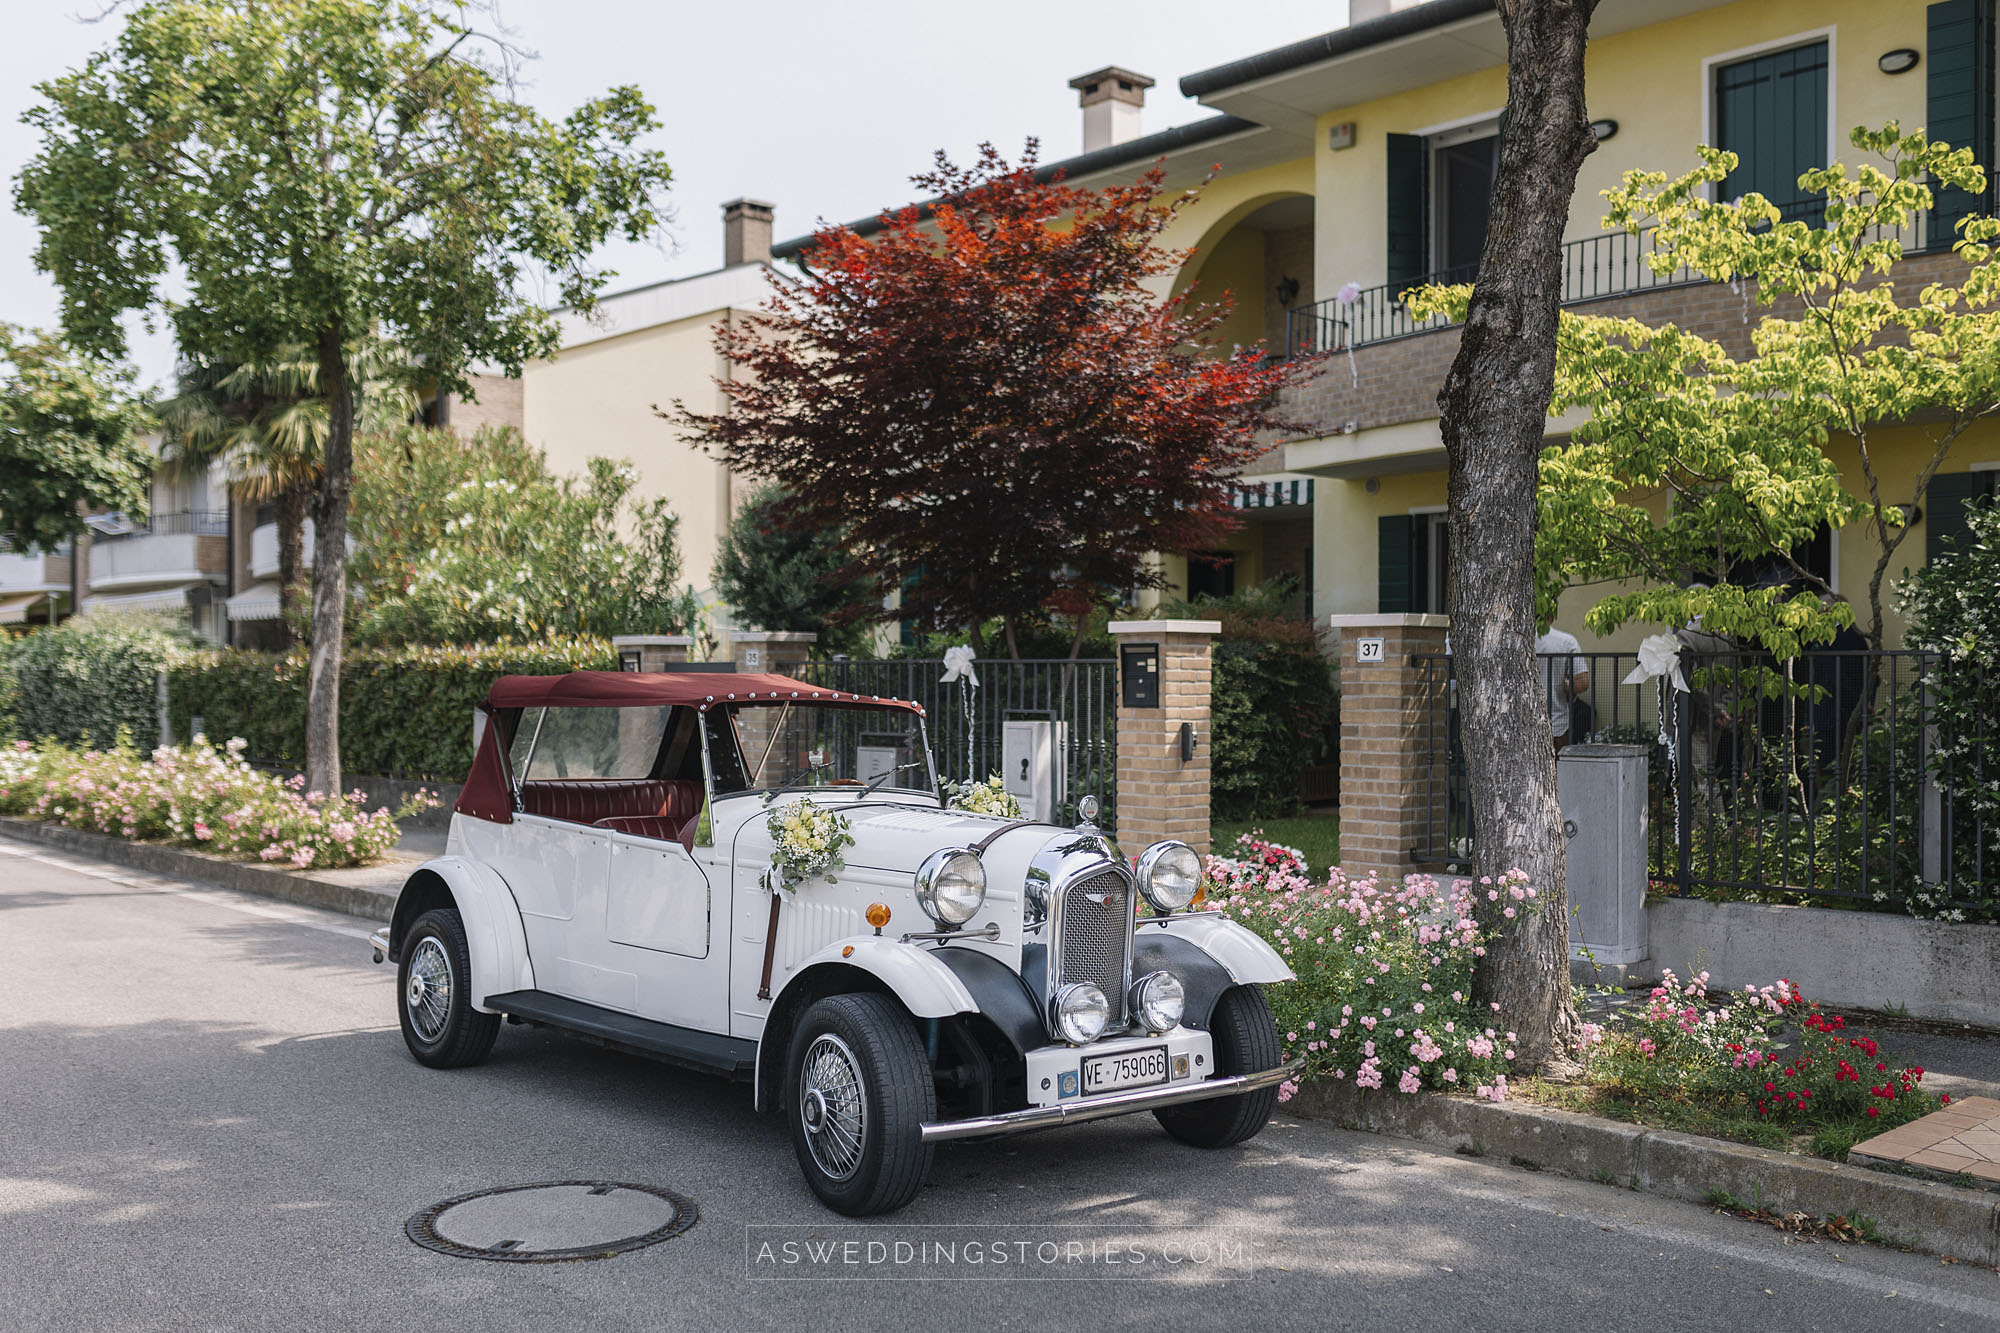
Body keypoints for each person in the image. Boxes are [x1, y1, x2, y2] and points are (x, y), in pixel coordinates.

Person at [1534, 624, 1590, 751]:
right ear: (1551, 616)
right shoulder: (1566, 641)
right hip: (1556, 721)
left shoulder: (1512, 638)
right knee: (1557, 760)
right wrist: (1567, 685)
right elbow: (1583, 682)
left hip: (1521, 720)